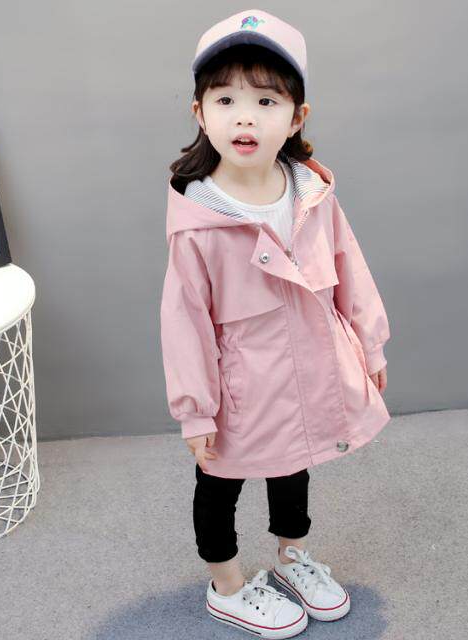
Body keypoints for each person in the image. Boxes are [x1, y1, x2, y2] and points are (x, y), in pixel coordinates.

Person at [160, 9, 392, 638]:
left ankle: (293, 556)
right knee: (220, 480)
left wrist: (369, 344)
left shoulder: (311, 194)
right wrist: (196, 410)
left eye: (266, 101)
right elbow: (184, 322)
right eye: (226, 99)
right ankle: (228, 585)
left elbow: (349, 267)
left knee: (295, 466)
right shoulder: (199, 221)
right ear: (200, 112)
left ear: (296, 118)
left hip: (309, 369)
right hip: (239, 384)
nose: (245, 117)